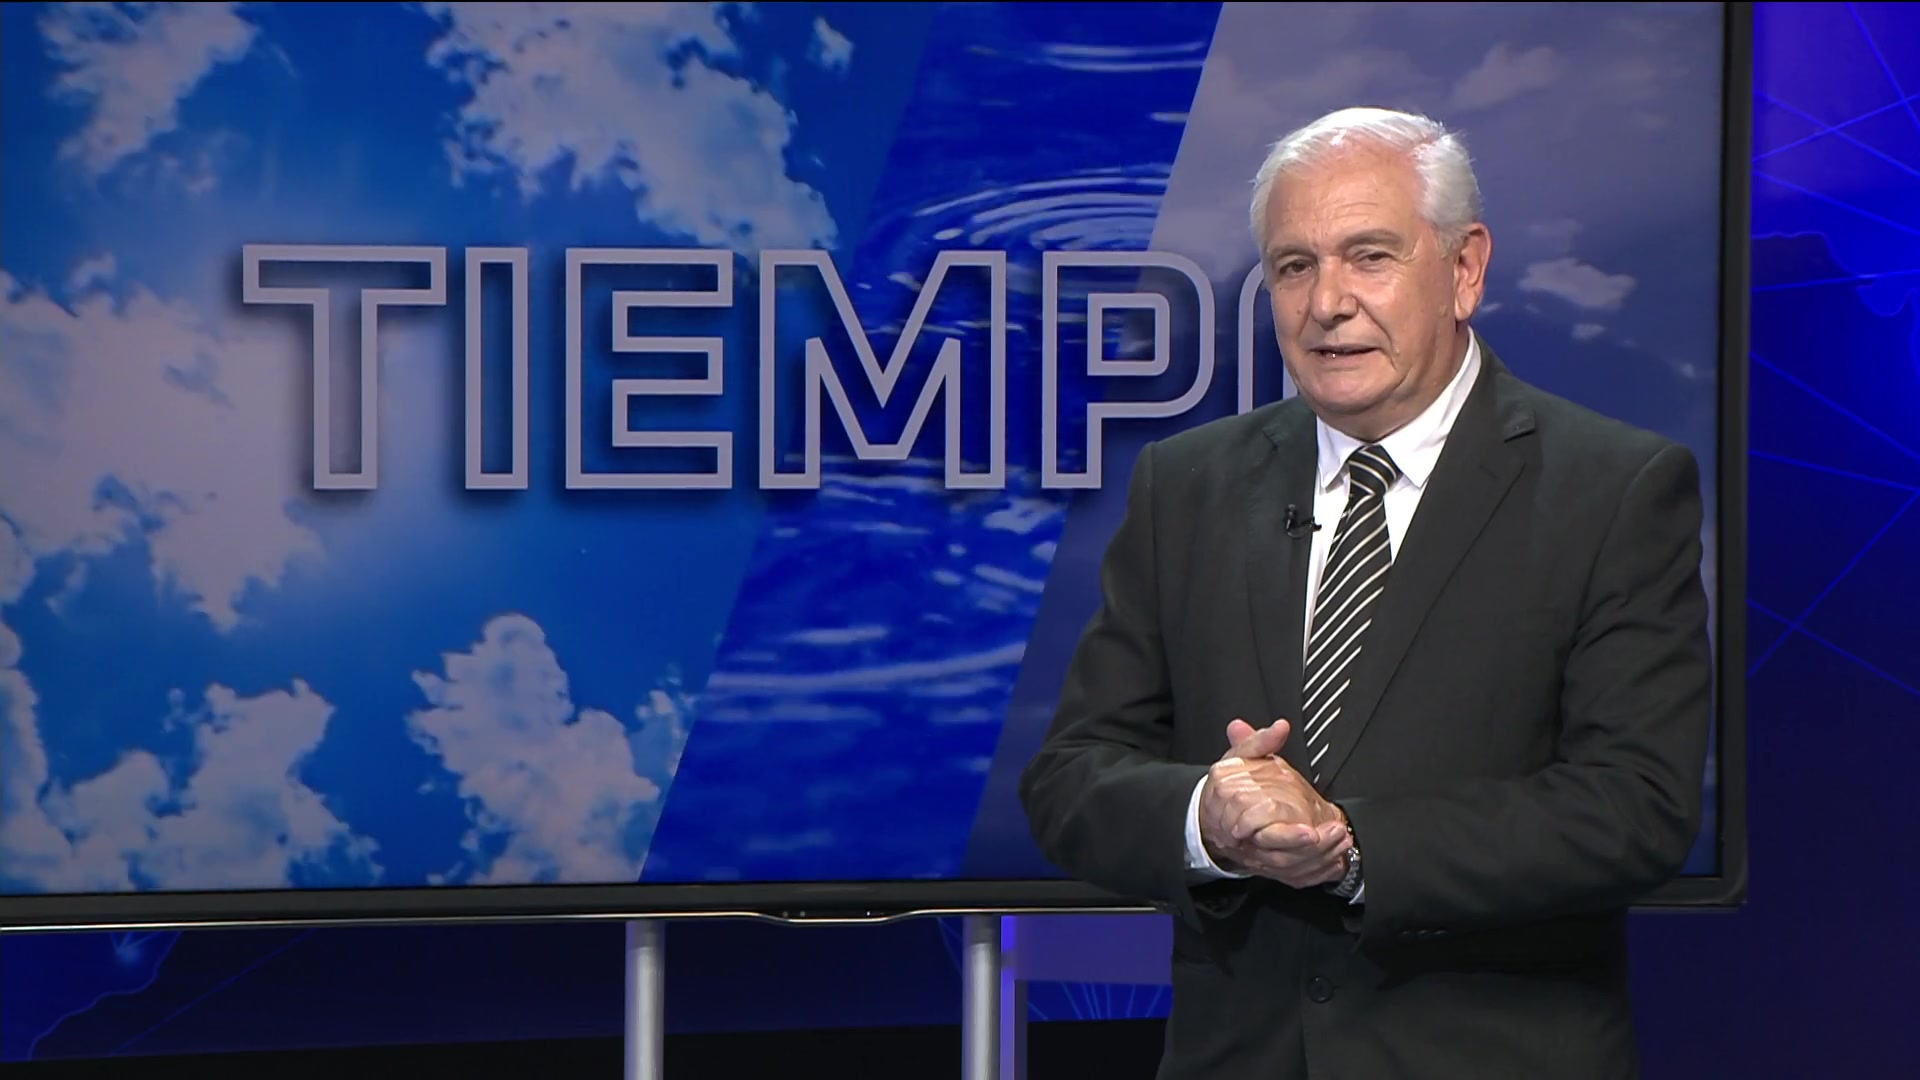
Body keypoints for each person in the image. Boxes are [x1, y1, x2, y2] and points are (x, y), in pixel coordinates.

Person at [1017, 105, 1713, 1079]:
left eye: (1370, 257)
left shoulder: (1613, 488)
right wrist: (1206, 817)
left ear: (1465, 269)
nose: (1326, 304)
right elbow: (1068, 780)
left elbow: (1636, 807)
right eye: (1293, 266)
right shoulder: (1187, 484)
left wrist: (1354, 846)